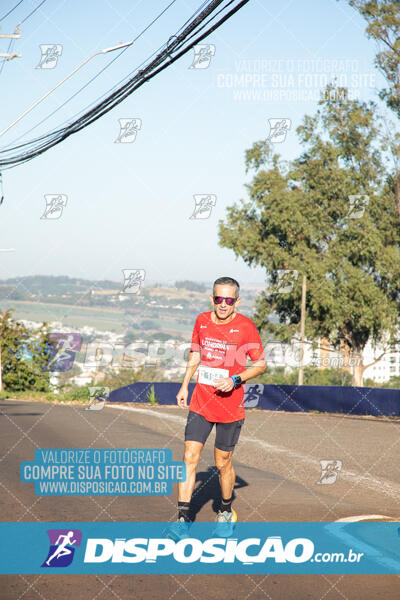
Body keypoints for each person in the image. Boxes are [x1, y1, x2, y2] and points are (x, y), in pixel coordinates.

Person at [170, 276, 266, 537]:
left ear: (237, 301)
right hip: (201, 401)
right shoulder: (201, 320)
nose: (223, 304)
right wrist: (184, 385)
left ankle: (225, 511)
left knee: (223, 463)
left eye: (229, 300)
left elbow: (260, 365)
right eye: (218, 299)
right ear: (211, 298)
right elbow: (196, 353)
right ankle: (182, 519)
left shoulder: (246, 327)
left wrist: (236, 379)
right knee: (189, 457)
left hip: (230, 407)